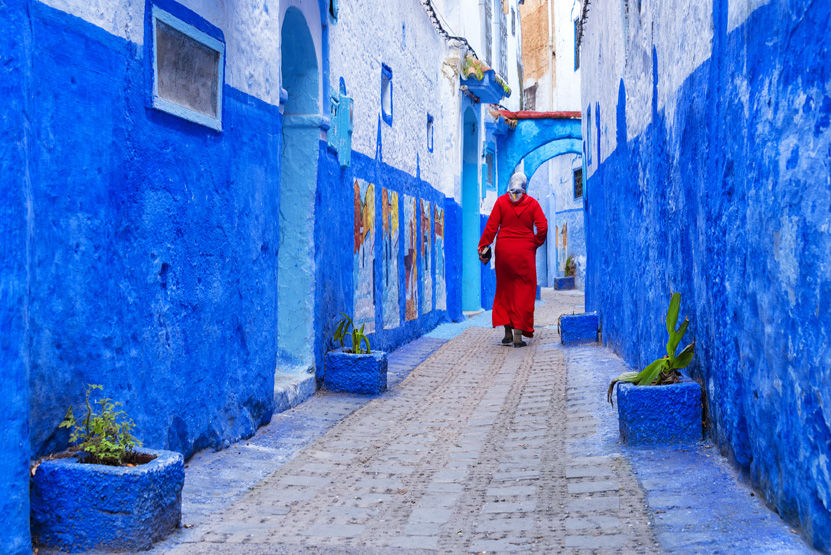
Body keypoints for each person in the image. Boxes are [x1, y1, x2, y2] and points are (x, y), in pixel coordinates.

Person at [478, 173, 548, 347]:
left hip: (504, 254)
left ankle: (507, 333)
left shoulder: (501, 202)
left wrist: (484, 245)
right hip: (524, 253)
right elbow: (543, 226)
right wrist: (535, 243)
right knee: (524, 291)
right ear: (525, 186)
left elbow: (491, 227)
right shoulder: (532, 204)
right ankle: (518, 335)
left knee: (505, 290)